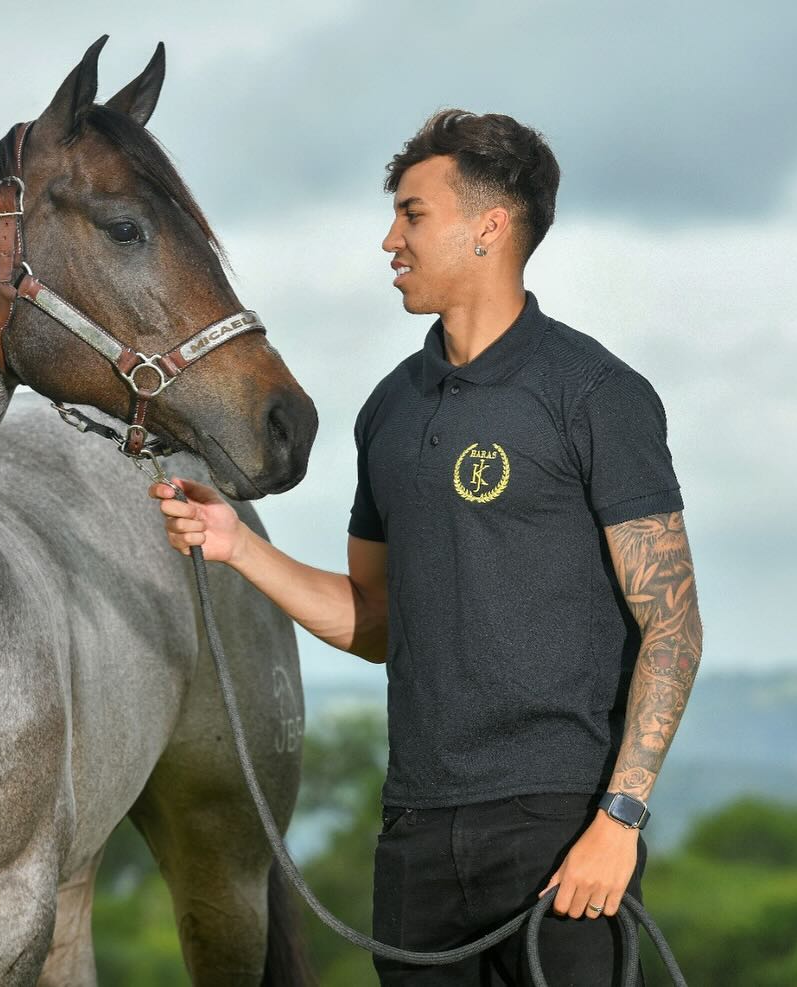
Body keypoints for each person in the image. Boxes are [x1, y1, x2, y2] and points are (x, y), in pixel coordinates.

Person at [149, 108, 702, 986]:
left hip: (561, 833)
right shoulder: (388, 410)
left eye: (412, 214)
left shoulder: (594, 393)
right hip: (414, 833)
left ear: (488, 226)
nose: (388, 240)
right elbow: (375, 622)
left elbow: (671, 624)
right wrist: (238, 549)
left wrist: (619, 820)